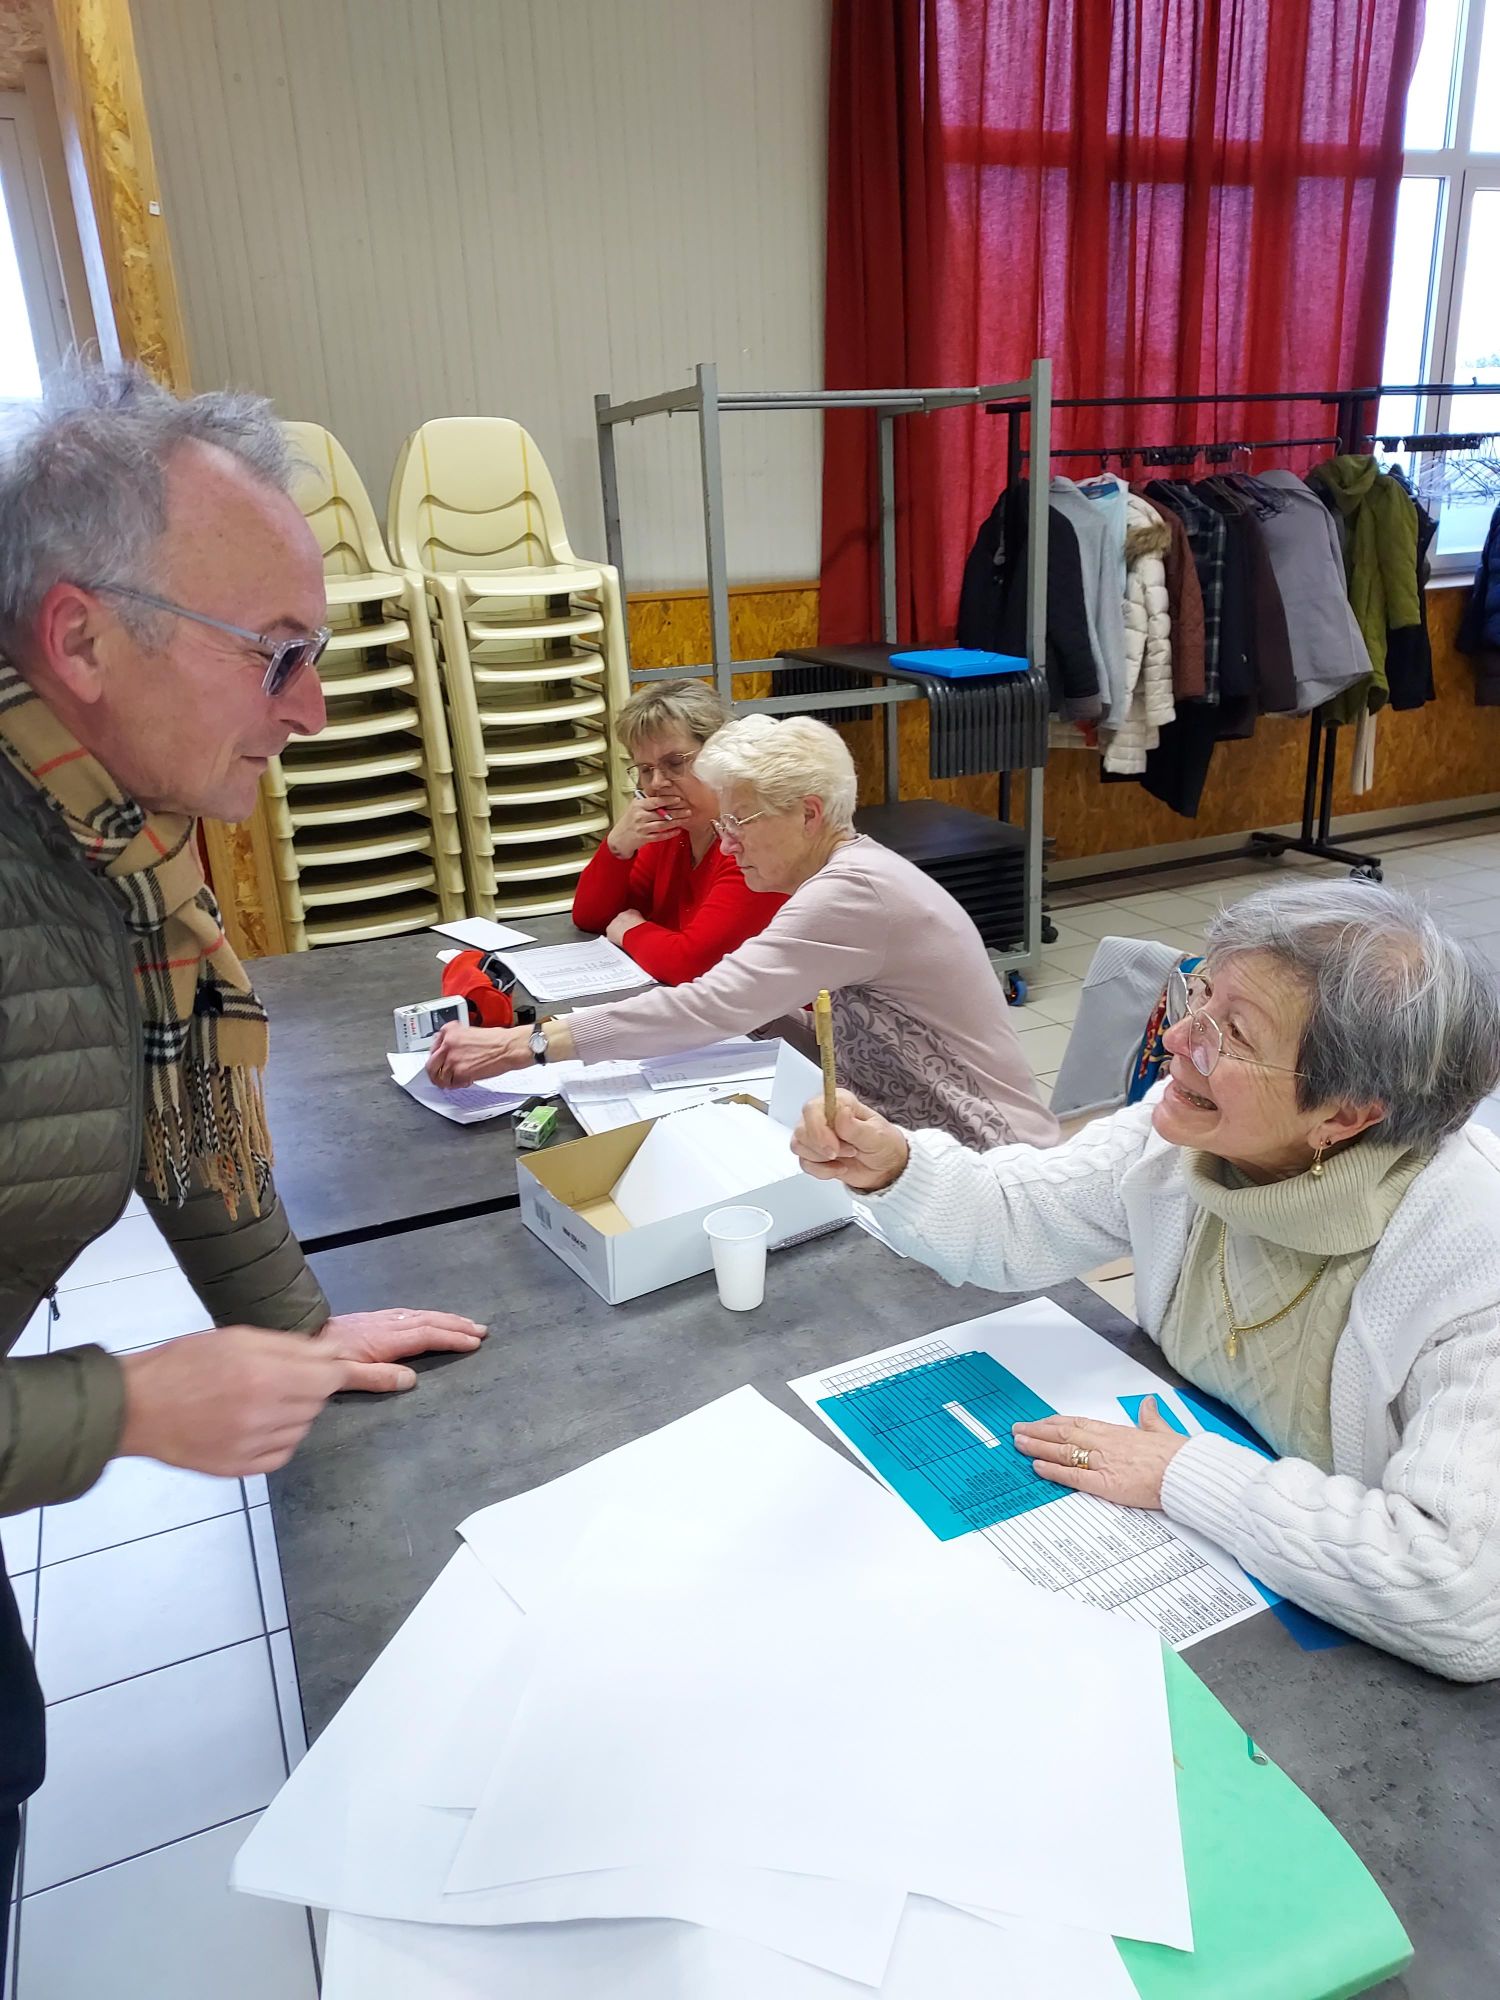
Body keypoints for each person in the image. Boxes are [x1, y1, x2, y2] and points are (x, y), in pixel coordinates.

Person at [0, 368, 485, 1921]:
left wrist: (293, 1332)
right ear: (82, 638)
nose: (311, 710)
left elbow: (185, 1119)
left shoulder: (112, 838)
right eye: (275, 654)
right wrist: (131, 1402)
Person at [792, 880, 1500, 1680]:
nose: (1176, 1039)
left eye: (1231, 1032)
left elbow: (1461, 1596)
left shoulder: (1472, 1253)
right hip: (1234, 1560)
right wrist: (894, 1165)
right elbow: (1020, 1217)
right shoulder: (1186, 1132)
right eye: (1199, 994)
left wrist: (1181, 1474)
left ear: (1344, 1115)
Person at [430, 714, 1059, 1151]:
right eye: (722, 824)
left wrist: (525, 1044)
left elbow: (710, 1005)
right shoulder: (839, 874)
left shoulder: (850, 893)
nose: (727, 844)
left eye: (740, 823)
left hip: (981, 1148)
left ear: (808, 814)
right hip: (905, 1134)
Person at [571, 679, 786, 981]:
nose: (657, 783)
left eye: (674, 763)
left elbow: (691, 964)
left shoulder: (752, 842)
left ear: (719, 756)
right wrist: (617, 846)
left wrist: (632, 931)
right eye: (645, 770)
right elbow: (591, 917)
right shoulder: (670, 832)